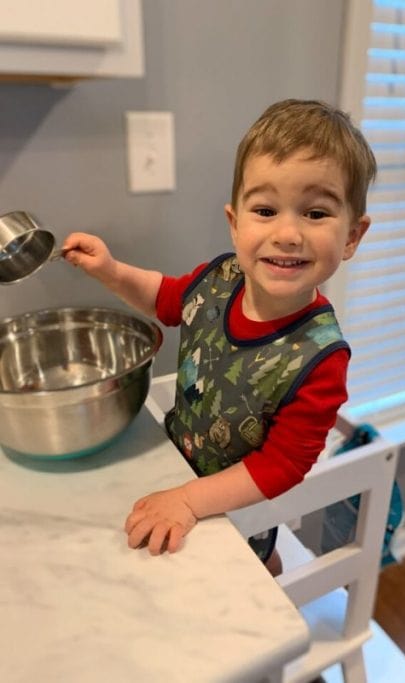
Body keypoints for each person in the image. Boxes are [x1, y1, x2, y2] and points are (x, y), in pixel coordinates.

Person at [62, 99, 374, 571]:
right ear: (235, 223)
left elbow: (282, 466)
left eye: (315, 214)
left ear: (352, 236)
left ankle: (269, 568)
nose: (288, 233)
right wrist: (109, 270)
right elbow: (166, 298)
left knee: (245, 577)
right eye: (266, 210)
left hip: (232, 510)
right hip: (172, 467)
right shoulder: (220, 278)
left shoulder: (321, 359)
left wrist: (189, 501)